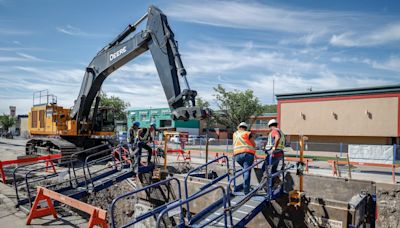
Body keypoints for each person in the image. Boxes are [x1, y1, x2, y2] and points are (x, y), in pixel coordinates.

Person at [261, 119, 286, 191]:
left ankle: (269, 185)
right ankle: (277, 181)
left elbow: (277, 138)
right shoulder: (281, 131)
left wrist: (273, 149)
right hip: (279, 154)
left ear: (270, 126)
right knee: (274, 169)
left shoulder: (274, 131)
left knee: (264, 168)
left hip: (273, 155)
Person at [233, 122, 256, 194]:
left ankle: (245, 186)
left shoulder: (235, 134)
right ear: (245, 128)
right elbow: (253, 143)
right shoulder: (247, 133)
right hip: (247, 154)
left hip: (237, 155)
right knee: (247, 171)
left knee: (244, 170)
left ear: (239, 127)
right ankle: (246, 190)